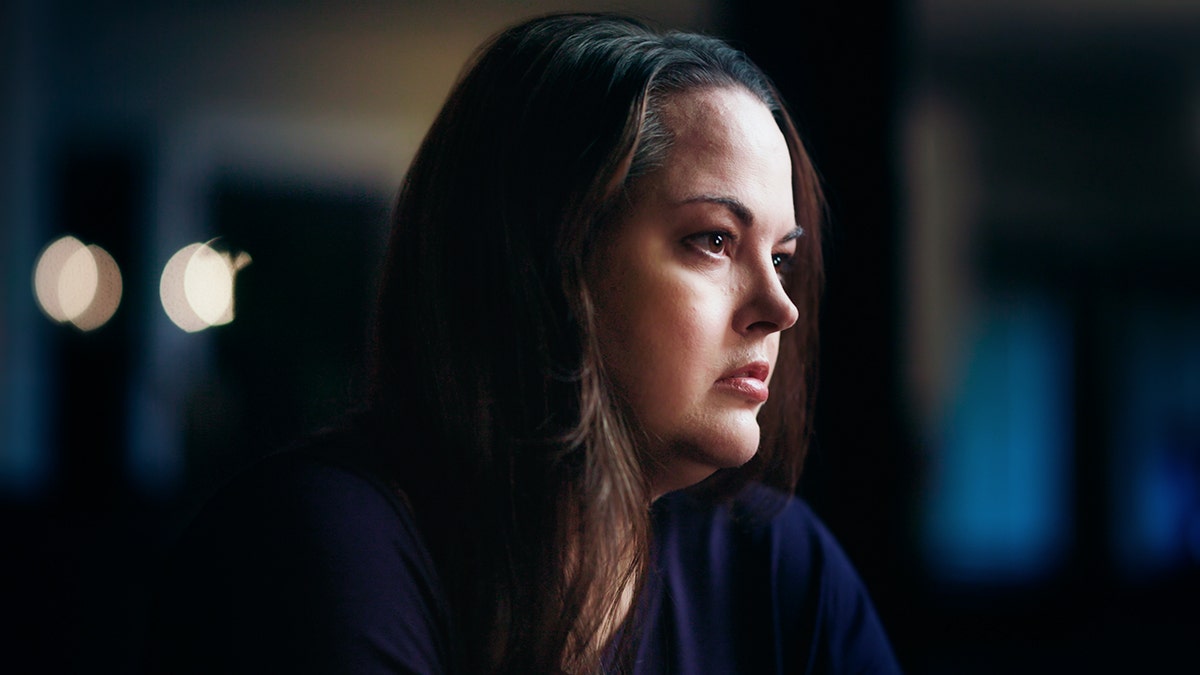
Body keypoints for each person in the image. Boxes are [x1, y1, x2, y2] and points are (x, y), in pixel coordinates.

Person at [147, 13, 901, 674]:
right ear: (545, 258)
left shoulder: (775, 564)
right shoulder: (324, 546)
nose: (779, 307)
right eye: (712, 239)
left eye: (783, 259)